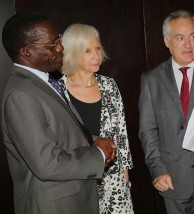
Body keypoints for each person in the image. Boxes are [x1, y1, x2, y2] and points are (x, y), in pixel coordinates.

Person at [1, 12, 116, 214]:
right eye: (52, 45)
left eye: (59, 40)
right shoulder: (20, 95)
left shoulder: (42, 82)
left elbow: (62, 136)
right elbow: (46, 163)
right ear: (27, 53)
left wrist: (96, 141)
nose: (61, 48)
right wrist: (97, 154)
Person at [138, 10, 194, 214]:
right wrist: (157, 170)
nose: (188, 44)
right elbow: (148, 131)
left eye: (192, 37)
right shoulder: (152, 80)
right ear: (167, 41)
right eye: (180, 38)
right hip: (172, 179)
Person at [59, 23, 134, 214]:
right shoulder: (58, 91)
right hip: (78, 180)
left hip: (113, 180)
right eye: (88, 50)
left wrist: (125, 178)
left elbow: (121, 133)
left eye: (98, 48)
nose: (97, 55)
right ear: (73, 53)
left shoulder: (109, 85)